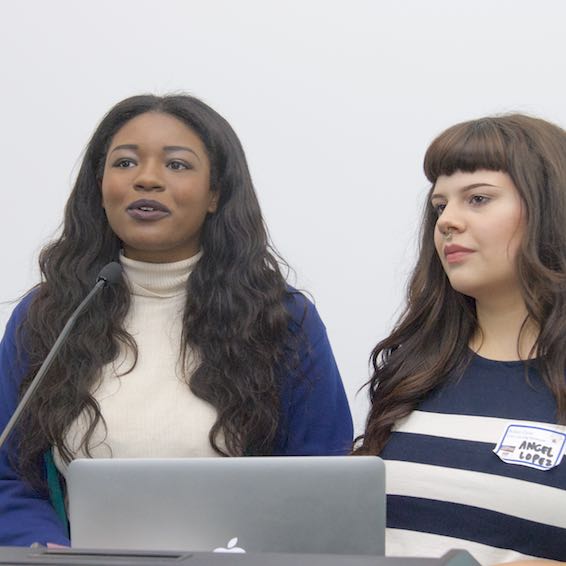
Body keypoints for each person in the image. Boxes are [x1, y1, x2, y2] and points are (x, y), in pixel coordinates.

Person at [0, 94, 353, 546]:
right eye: (125, 163)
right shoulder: (47, 317)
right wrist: (48, 550)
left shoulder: (282, 319)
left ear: (215, 194)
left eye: (177, 165)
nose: (146, 179)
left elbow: (320, 475)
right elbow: (10, 476)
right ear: (100, 186)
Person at [355, 114, 566, 564]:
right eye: (439, 206)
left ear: (551, 208)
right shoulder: (415, 371)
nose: (448, 221)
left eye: (478, 198)